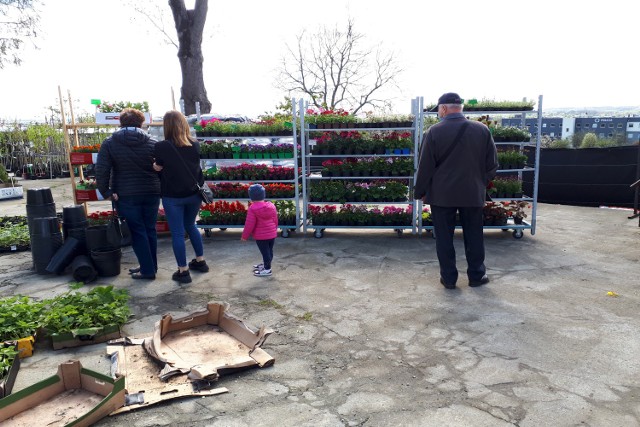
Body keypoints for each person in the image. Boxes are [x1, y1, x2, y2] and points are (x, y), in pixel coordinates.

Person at [414, 92, 498, 289]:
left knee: (444, 238)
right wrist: (480, 182)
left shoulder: (434, 132)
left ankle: (449, 279)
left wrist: (420, 192)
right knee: (474, 236)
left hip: (442, 196)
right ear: (460, 108)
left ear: (443, 108)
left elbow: (425, 166)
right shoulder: (482, 130)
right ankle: (477, 276)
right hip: (472, 193)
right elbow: (492, 164)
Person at [96, 108, 161, 280]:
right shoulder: (153, 142)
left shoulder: (110, 143)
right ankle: (150, 266)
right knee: (150, 230)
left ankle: (147, 270)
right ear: (141, 123)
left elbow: (102, 169)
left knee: (137, 231)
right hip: (151, 192)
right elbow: (162, 168)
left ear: (120, 123)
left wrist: (106, 191)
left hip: (126, 194)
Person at [152, 110, 209, 284]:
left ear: (166, 126)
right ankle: (200, 261)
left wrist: (155, 166)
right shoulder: (195, 144)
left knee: (177, 233)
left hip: (172, 196)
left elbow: (158, 167)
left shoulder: (161, 146)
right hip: (194, 194)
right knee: (191, 225)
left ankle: (183, 271)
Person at [241, 184, 278, 277]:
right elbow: (275, 219)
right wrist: (274, 229)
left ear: (251, 197)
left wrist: (244, 236)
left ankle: (267, 269)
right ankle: (266, 264)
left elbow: (249, 224)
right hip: (272, 234)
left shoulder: (252, 209)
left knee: (265, 252)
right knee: (269, 251)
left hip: (261, 236)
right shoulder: (271, 206)